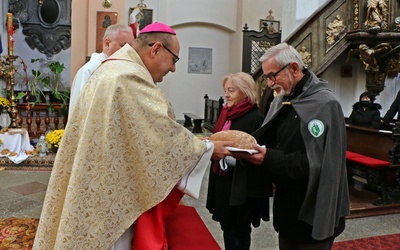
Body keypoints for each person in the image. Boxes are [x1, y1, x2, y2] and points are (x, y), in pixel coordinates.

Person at [33, 22, 233, 250]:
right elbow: (160, 135)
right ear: (156, 49)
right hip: (112, 193)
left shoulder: (111, 70)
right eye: (174, 60)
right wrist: (207, 150)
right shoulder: (129, 77)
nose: (173, 68)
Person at [233, 42, 350, 250]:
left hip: (313, 205)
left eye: (272, 76)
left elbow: (316, 164)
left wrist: (267, 157)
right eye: (267, 77)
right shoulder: (282, 99)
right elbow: (271, 140)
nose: (269, 84)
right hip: (286, 207)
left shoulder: (325, 104)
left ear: (294, 69)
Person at [206, 72, 271, 250]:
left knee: (240, 232)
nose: (226, 95)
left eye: (231, 90)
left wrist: (231, 157)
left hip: (241, 187)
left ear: (245, 92)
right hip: (223, 181)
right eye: (225, 90)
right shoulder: (227, 113)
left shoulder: (255, 118)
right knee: (227, 227)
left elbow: (259, 156)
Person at [68, 24, 134, 116]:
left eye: (131, 47)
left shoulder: (127, 70)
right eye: (123, 46)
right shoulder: (89, 70)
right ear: (107, 43)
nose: (128, 51)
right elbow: (81, 110)